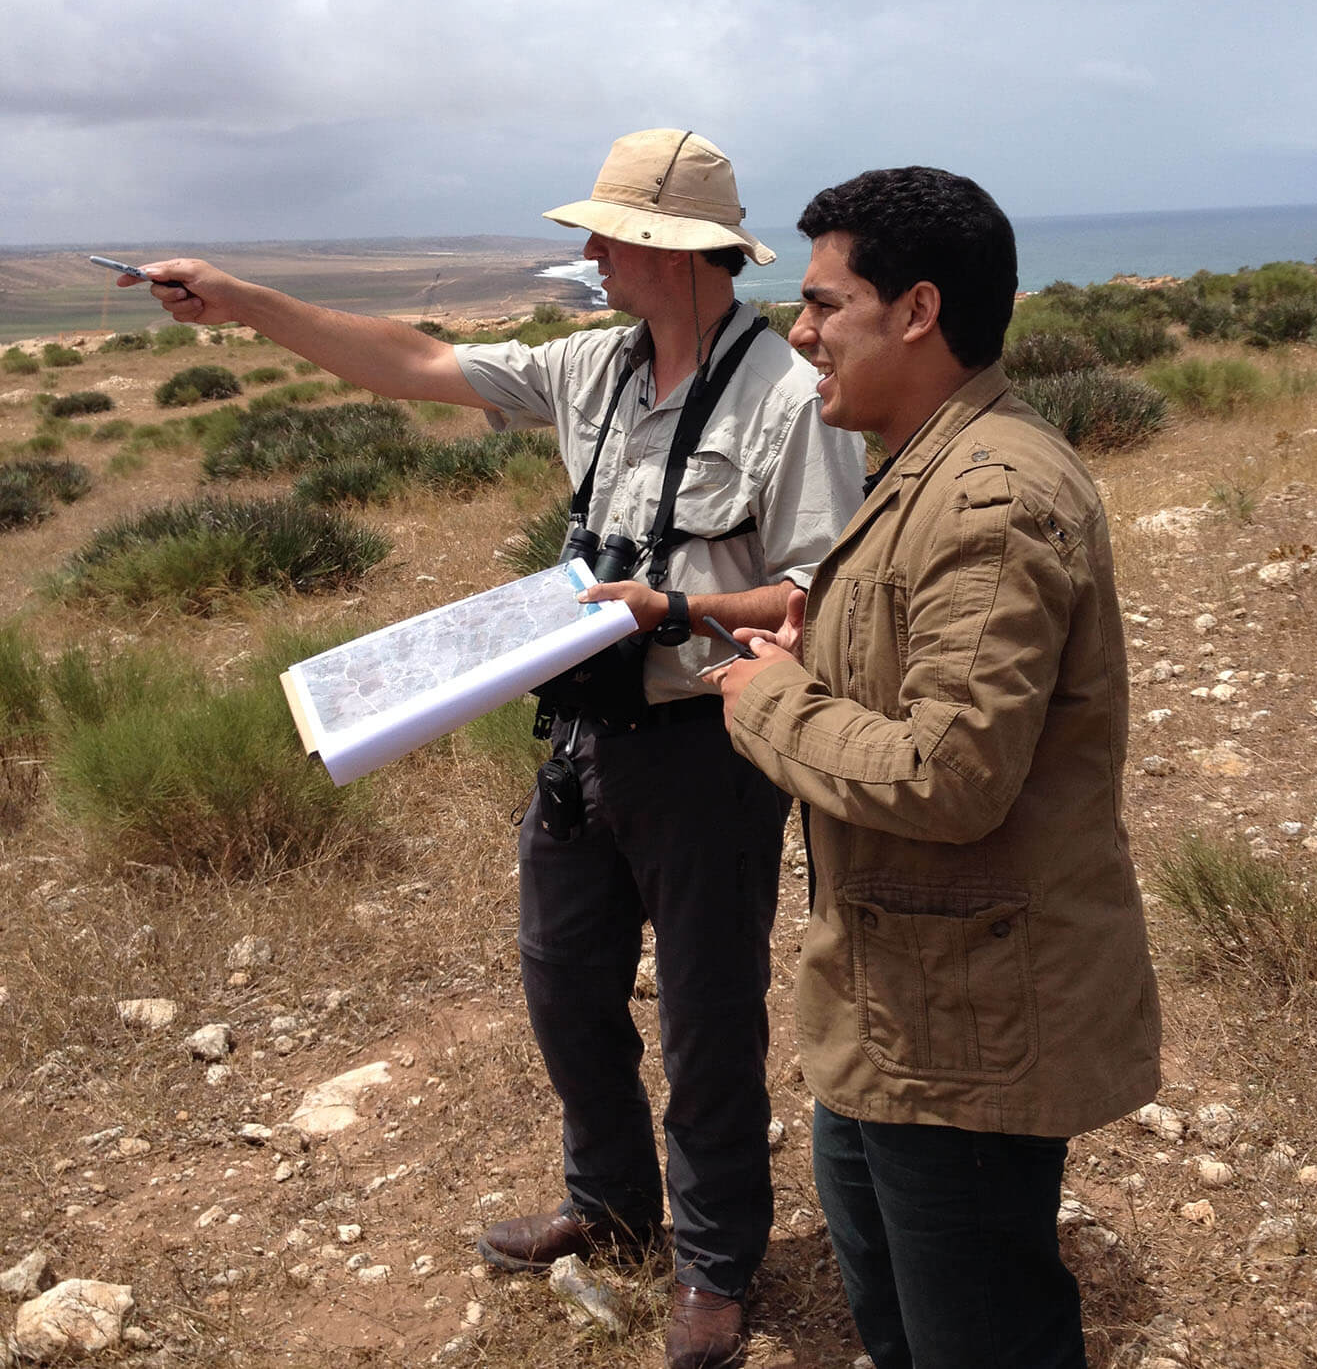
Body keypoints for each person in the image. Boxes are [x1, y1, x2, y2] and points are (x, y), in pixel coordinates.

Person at [128, 128, 865, 1369]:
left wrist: (678, 615)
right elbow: (414, 361)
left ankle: (719, 1262)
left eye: (609, 237)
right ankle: (615, 1205)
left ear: (676, 252)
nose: (587, 255)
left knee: (708, 1012)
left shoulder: (787, 398)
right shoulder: (593, 367)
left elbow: (813, 594)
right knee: (565, 983)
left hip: (706, 747)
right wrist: (242, 304)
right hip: (583, 735)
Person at [705, 166, 1161, 1369]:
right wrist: (816, 659)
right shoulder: (920, 469)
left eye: (821, 303)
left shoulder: (987, 499)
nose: (797, 332)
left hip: (965, 1033)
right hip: (900, 1002)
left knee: (978, 1338)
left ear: (915, 310)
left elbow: (948, 776)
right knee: (903, 1326)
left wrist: (770, 705)